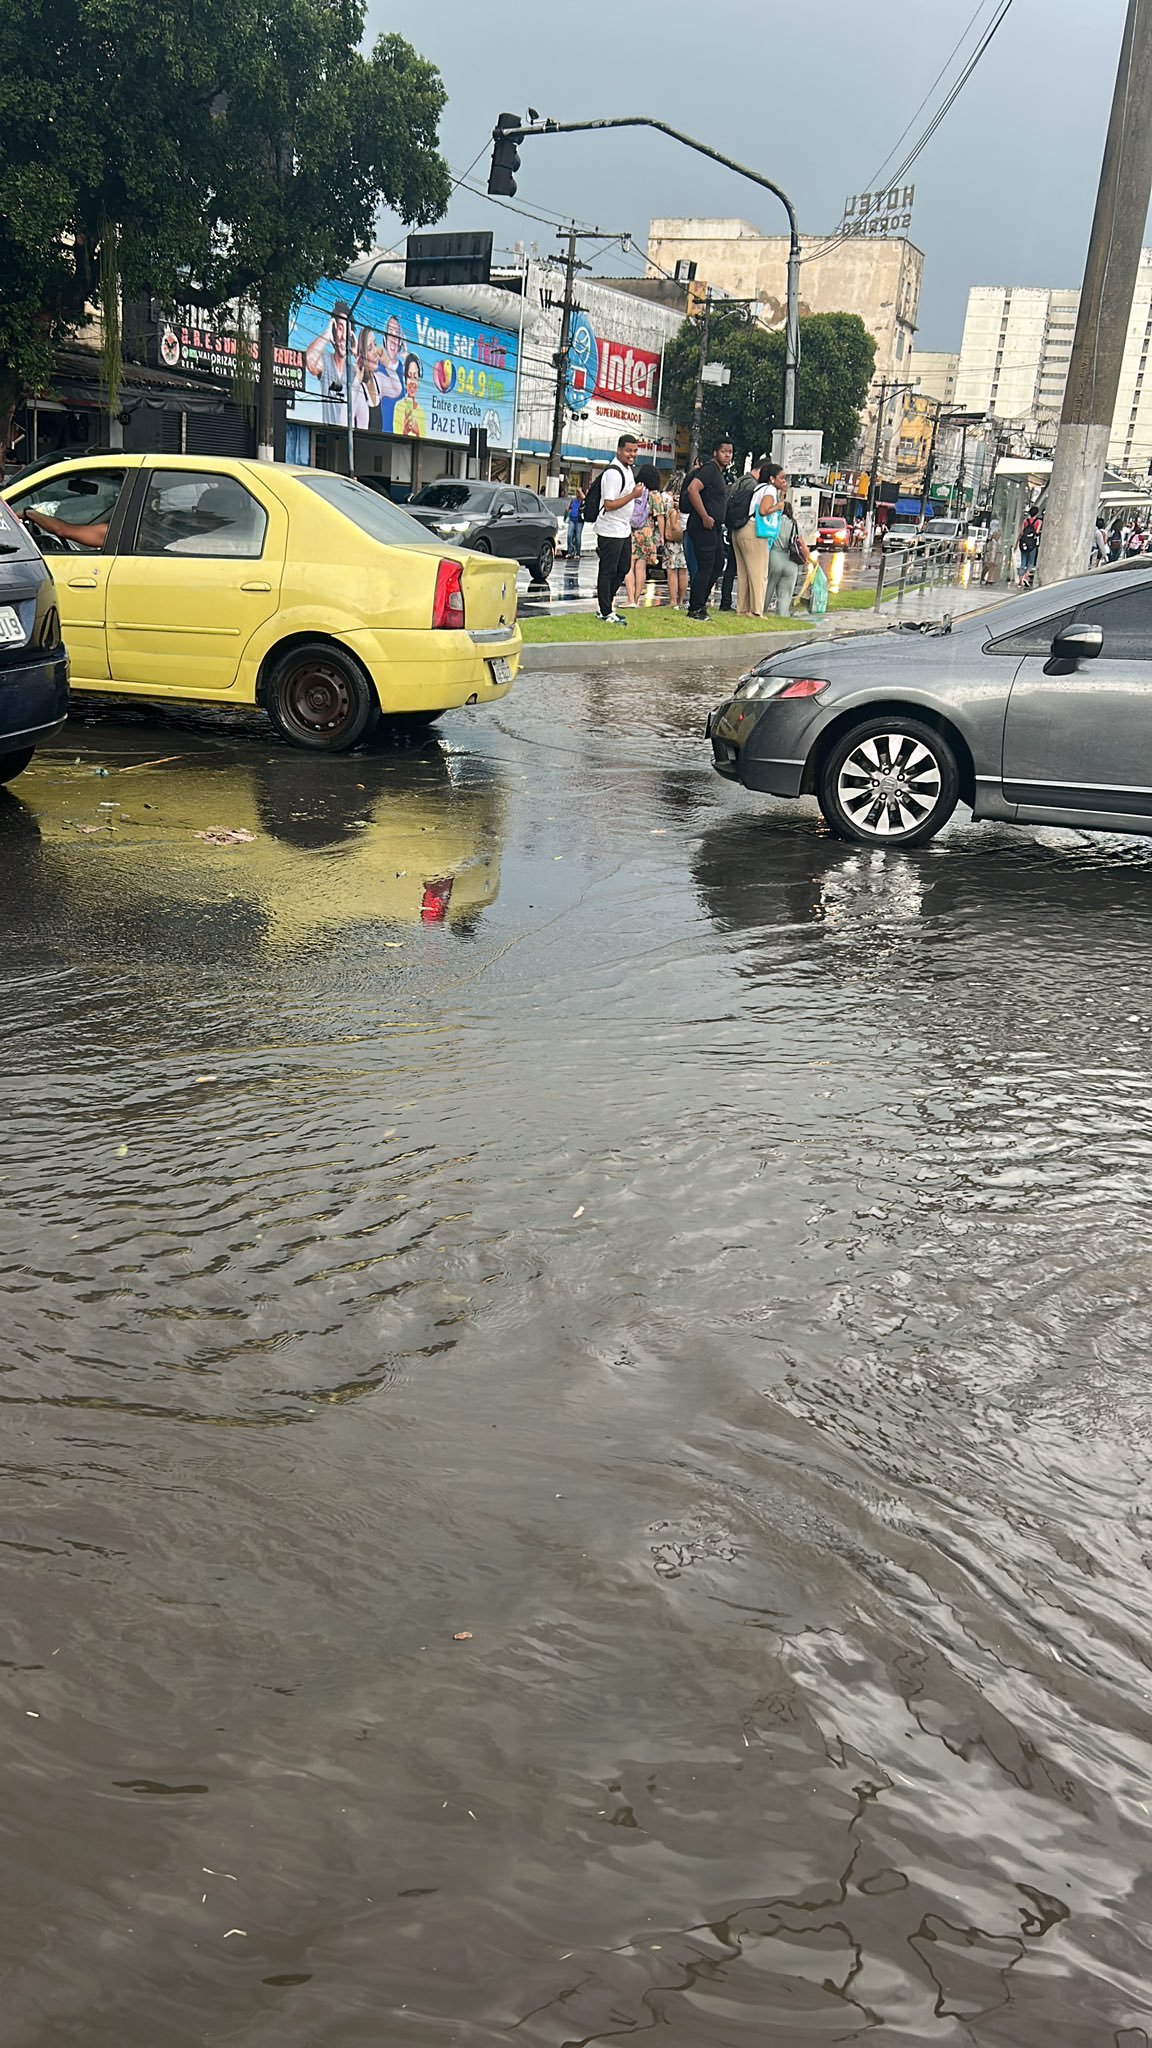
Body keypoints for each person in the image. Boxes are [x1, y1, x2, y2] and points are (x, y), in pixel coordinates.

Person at [594, 433, 643, 624]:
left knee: (623, 568)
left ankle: (607, 605)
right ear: (619, 450)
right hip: (609, 529)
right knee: (608, 570)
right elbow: (609, 504)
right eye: (628, 451)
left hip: (623, 528)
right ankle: (605, 610)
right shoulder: (613, 473)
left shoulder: (627, 469)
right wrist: (633, 495)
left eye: (635, 451)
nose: (632, 454)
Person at [684, 436, 734, 620]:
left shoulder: (719, 473)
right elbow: (692, 489)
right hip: (702, 525)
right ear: (715, 453)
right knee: (706, 566)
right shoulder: (710, 470)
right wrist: (704, 515)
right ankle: (695, 608)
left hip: (715, 527)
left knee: (718, 564)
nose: (727, 455)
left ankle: (700, 603)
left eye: (730, 452)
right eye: (724, 452)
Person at [731, 460, 784, 616]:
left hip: (740, 530)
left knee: (744, 574)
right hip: (754, 532)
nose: (784, 481)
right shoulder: (769, 490)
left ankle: (743, 609)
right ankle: (756, 611)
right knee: (759, 573)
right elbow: (763, 510)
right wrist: (779, 506)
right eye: (781, 477)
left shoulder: (758, 487)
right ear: (772, 478)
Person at [305, 302, 354, 425]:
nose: (343, 337)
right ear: (334, 330)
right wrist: (327, 334)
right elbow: (309, 362)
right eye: (340, 329)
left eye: (347, 331)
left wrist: (355, 352)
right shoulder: (326, 360)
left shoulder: (353, 371)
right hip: (327, 429)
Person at [764, 498, 811, 618]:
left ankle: (762, 609)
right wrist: (811, 560)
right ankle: (782, 614)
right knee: (786, 591)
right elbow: (802, 544)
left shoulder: (775, 521)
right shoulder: (795, 525)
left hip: (775, 556)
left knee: (768, 586)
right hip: (791, 560)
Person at [625, 464, 662, 606]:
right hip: (646, 532)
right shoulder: (655, 495)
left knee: (629, 565)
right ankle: (636, 599)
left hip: (631, 530)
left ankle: (629, 599)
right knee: (641, 567)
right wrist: (662, 537)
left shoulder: (637, 489)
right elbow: (660, 517)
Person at [655, 470, 688, 608]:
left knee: (671, 570)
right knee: (683, 570)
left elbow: (661, 517)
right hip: (685, 536)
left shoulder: (664, 497)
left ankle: (673, 601)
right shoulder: (687, 497)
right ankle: (681, 601)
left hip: (670, 539)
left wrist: (661, 536)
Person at [352, 328, 383, 431]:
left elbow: (397, 389)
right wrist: (356, 381)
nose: (375, 352)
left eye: (375, 344)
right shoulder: (360, 390)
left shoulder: (378, 381)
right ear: (361, 357)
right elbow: (344, 419)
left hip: (380, 445)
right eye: (370, 348)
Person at [395, 355, 427, 437]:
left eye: (415, 377)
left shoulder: (421, 411)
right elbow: (396, 440)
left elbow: (424, 444)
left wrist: (417, 432)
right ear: (405, 381)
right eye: (409, 377)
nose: (412, 382)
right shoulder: (399, 406)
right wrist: (405, 432)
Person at [1017, 505, 1042, 585]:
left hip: (1023, 544)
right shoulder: (1039, 522)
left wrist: (1016, 543)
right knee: (1030, 562)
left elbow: (1021, 533)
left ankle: (1020, 580)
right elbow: (1037, 532)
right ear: (1037, 513)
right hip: (1032, 545)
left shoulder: (1025, 521)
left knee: (1023, 562)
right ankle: (1026, 576)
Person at [566, 485, 584, 559]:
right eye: (576, 492)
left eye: (578, 492)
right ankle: (570, 552)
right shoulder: (573, 500)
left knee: (577, 537)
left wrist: (580, 491)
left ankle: (578, 553)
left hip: (579, 521)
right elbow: (568, 508)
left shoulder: (582, 501)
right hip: (572, 519)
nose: (577, 493)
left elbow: (585, 498)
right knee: (569, 535)